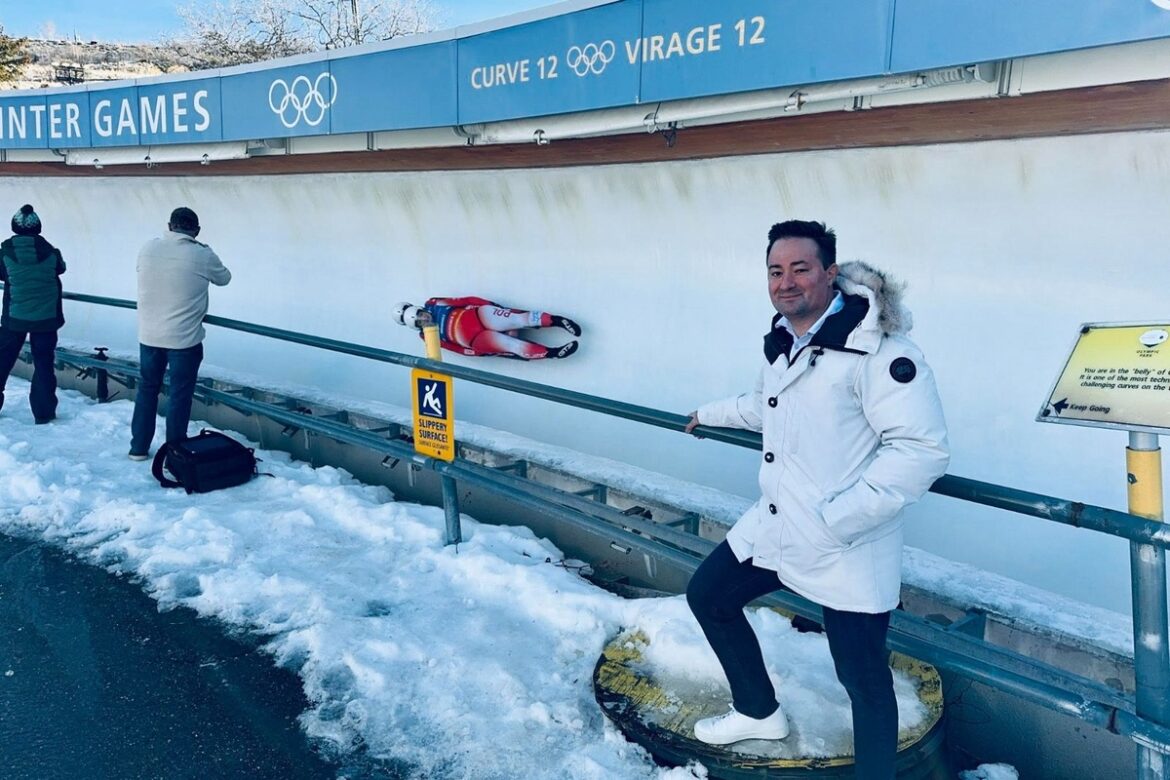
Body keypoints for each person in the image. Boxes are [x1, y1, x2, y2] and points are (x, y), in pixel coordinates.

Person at [683, 220, 949, 779]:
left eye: (800, 268)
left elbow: (920, 450)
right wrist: (708, 414)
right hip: (778, 522)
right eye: (775, 271)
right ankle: (758, 712)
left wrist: (837, 521)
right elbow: (765, 405)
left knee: (863, 679)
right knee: (708, 595)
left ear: (830, 273)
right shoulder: (784, 340)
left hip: (845, 542)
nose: (786, 282)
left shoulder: (882, 353)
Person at [129, 207, 231, 460]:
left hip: (149, 335)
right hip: (184, 339)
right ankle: (175, 454)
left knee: (147, 389)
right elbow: (224, 278)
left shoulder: (148, 248)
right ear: (196, 230)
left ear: (169, 226)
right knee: (179, 395)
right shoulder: (202, 254)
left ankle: (138, 447)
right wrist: (204, 249)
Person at [0, 204, 67, 424]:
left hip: (14, 317)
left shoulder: (5, 252)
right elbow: (61, 268)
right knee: (44, 364)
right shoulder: (50, 252)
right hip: (46, 319)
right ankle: (43, 412)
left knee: (2, 359)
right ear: (38, 227)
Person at [394, 296, 580, 360]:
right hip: (476, 341)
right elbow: (453, 348)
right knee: (512, 345)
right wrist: (474, 352)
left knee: (516, 319)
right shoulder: (426, 336)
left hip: (478, 316)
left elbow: (463, 301)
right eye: (420, 322)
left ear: (420, 309)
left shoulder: (435, 303)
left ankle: (558, 321)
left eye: (421, 315)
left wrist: (486, 304)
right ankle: (553, 353)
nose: (424, 319)